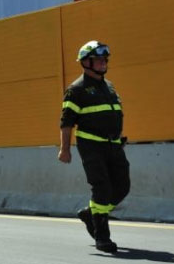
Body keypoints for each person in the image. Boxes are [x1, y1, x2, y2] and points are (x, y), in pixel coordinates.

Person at [59, 40, 129, 254]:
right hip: (91, 146)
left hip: (114, 145)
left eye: (104, 59)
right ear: (86, 63)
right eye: (98, 60)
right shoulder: (76, 89)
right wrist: (65, 149)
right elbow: (66, 122)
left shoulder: (109, 86)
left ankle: (91, 214)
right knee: (102, 189)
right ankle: (102, 237)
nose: (102, 63)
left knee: (122, 187)